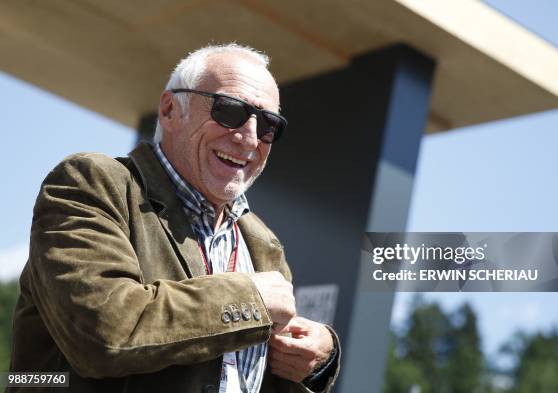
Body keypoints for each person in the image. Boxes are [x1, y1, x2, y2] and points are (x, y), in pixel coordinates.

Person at [9, 44, 340, 393]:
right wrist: (250, 299)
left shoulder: (262, 242)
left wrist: (318, 361)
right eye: (230, 110)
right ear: (170, 110)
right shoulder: (94, 182)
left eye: (269, 125)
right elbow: (105, 334)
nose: (250, 137)